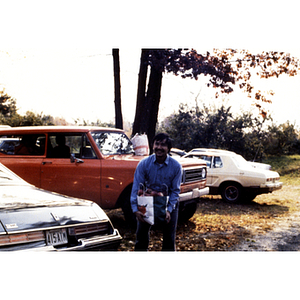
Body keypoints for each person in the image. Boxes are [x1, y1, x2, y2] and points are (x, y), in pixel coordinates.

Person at [130, 133, 182, 251]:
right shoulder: (144, 164)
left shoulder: (176, 166)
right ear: (152, 145)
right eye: (157, 144)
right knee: (141, 237)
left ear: (168, 148)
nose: (159, 147)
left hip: (168, 203)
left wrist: (168, 210)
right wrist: (135, 209)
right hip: (147, 202)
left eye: (163, 145)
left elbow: (175, 191)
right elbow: (136, 187)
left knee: (169, 239)